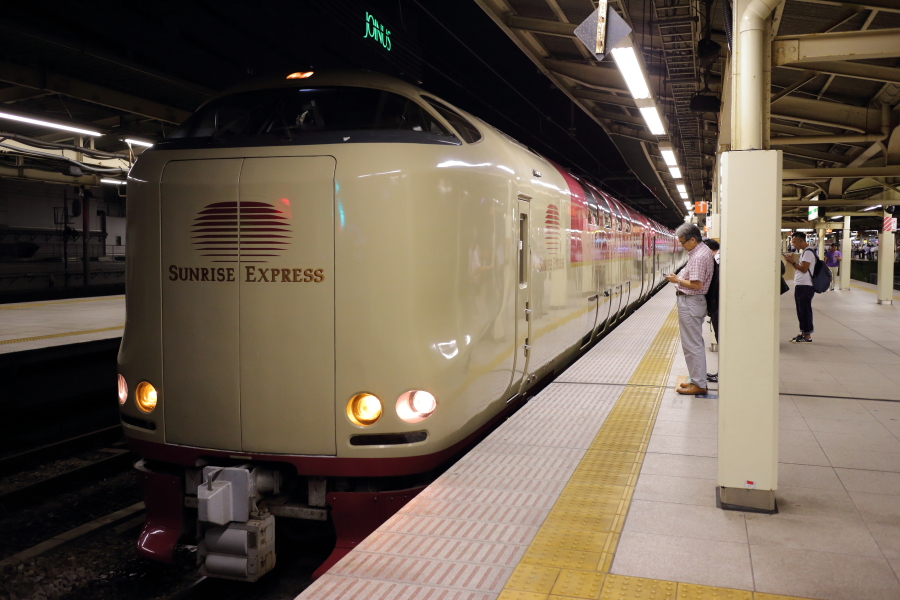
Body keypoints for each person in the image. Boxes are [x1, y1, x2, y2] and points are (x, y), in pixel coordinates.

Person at [665, 224, 715, 394]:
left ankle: (699, 385)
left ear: (693, 239)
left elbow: (696, 284)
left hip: (691, 302)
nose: (681, 245)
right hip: (693, 302)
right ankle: (697, 380)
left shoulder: (699, 256)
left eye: (683, 242)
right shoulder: (700, 252)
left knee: (692, 345)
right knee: (693, 343)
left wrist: (677, 281)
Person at [783, 231, 816, 343]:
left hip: (805, 286)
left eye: (794, 242)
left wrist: (792, 262)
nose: (793, 244)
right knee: (801, 311)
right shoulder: (805, 252)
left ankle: (807, 336)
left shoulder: (807, 253)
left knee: (804, 311)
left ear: (800, 240)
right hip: (802, 285)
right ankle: (804, 333)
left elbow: (804, 269)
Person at [702, 239, 720, 383]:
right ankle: (723, 372)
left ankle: (724, 373)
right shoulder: (717, 259)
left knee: (723, 340)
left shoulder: (718, 261)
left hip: (719, 307)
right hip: (719, 306)